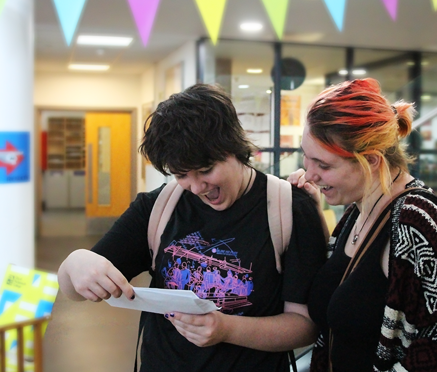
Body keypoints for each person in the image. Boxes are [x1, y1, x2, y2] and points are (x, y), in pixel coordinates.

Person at [57, 84, 327, 371]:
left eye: (206, 169)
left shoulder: (290, 208)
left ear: (235, 149)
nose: (197, 187)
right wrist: (74, 264)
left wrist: (226, 329)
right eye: (181, 174)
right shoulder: (158, 207)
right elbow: (73, 290)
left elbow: (305, 326)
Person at [288, 78, 437, 371]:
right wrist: (311, 215)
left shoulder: (420, 222)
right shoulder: (358, 210)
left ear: (372, 161)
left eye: (323, 165)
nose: (309, 173)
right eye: (307, 157)